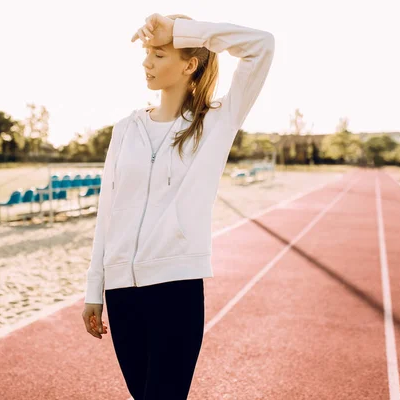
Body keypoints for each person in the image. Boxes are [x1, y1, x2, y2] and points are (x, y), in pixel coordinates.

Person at [81, 13, 275, 399]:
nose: (146, 62)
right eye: (147, 53)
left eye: (159, 54)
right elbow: (109, 210)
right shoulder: (125, 129)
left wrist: (183, 31)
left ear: (190, 64)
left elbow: (262, 46)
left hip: (175, 288)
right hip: (122, 293)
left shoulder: (216, 123)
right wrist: (95, 288)